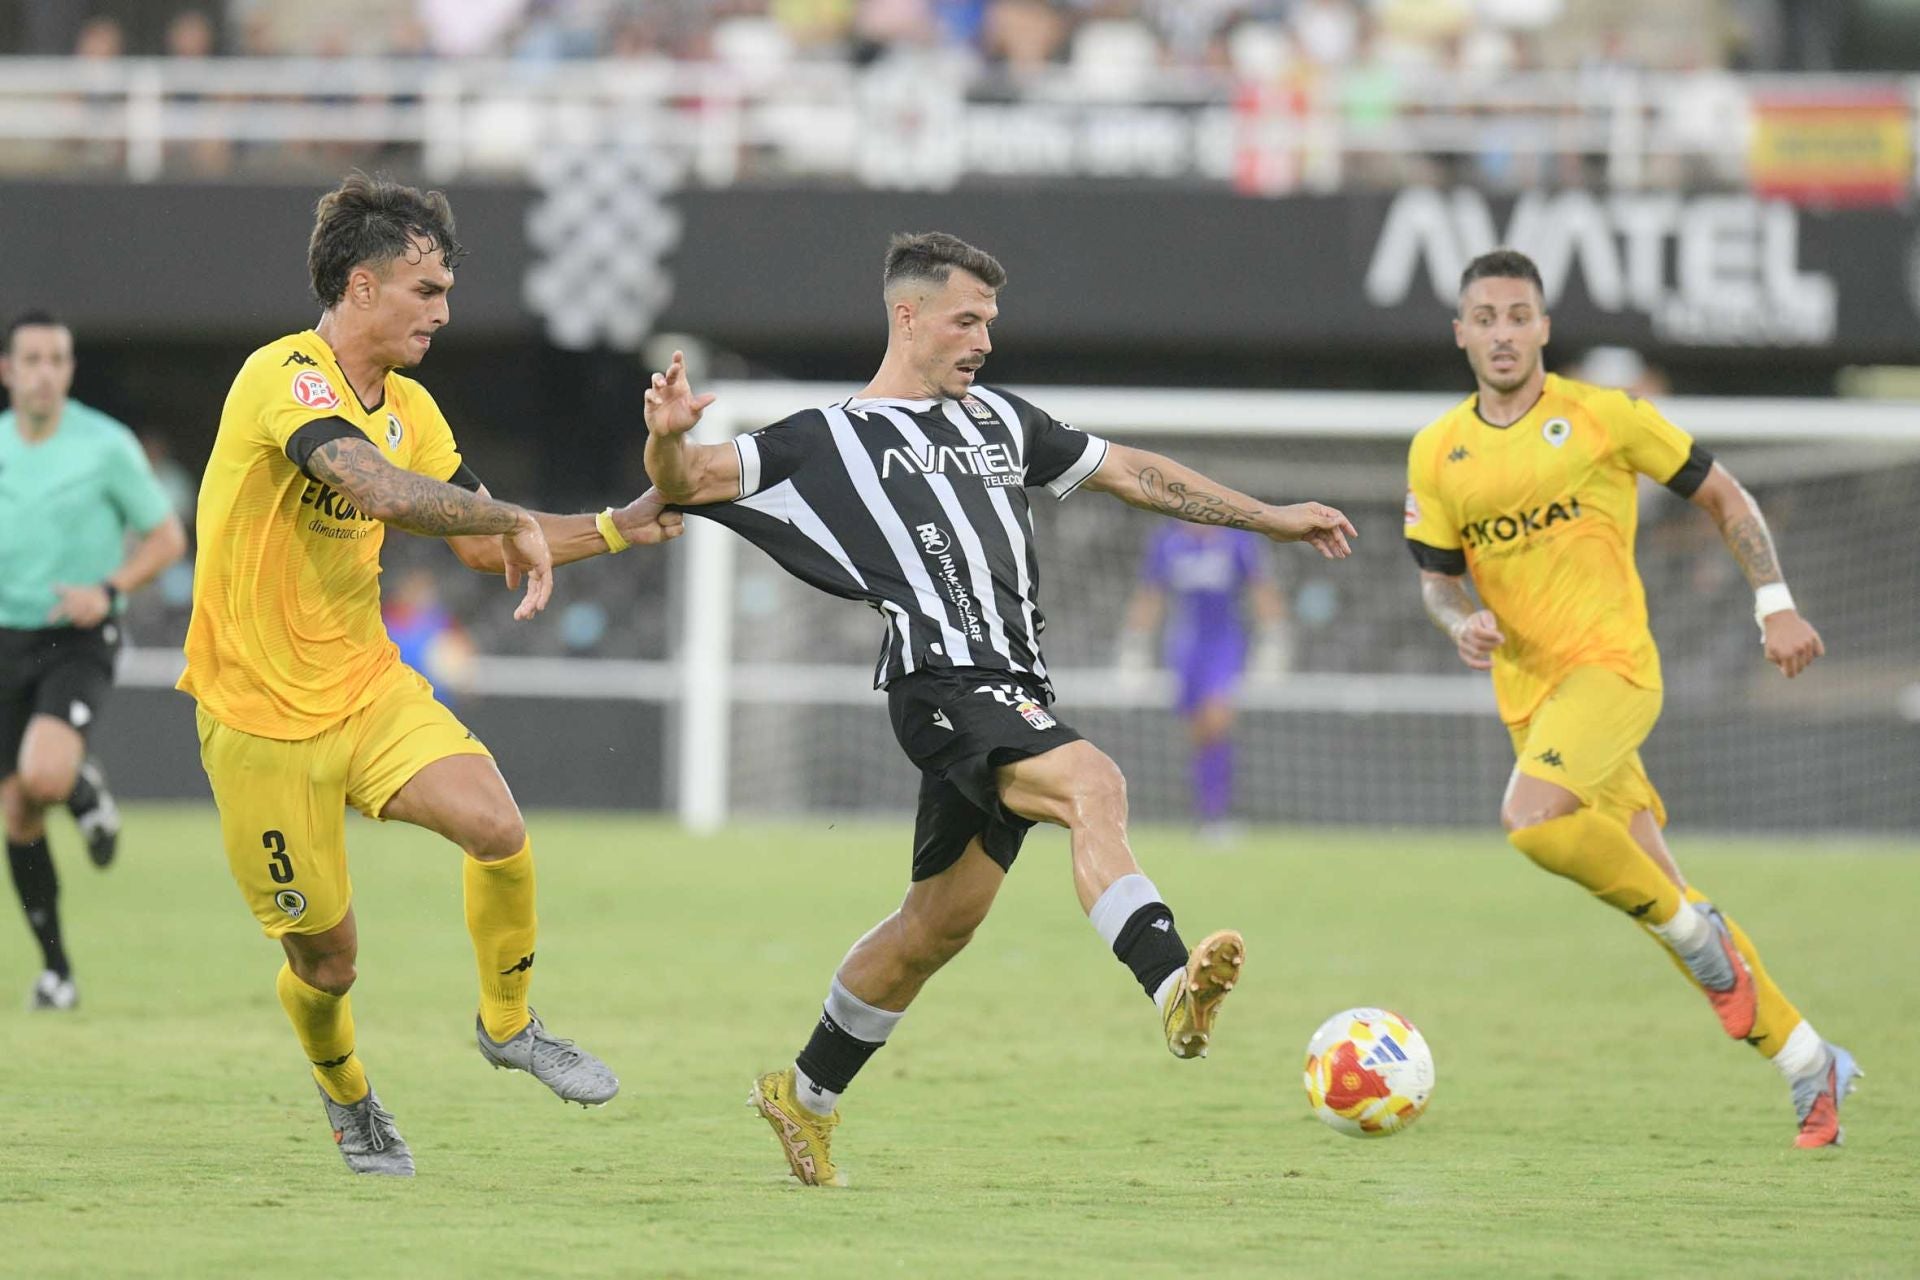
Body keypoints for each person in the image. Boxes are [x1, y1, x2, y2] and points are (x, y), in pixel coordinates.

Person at [642, 231, 1356, 1186]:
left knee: (935, 928)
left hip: (1014, 687)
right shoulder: (824, 439)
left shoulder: (999, 423)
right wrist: (667, 434)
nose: (983, 339)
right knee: (1092, 783)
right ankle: (1172, 982)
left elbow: (1136, 473)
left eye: (991, 322)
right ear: (908, 317)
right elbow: (685, 484)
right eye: (965, 320)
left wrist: (1270, 516)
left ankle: (803, 1096)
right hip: (938, 684)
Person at [178, 171, 681, 1176]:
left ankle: (510, 1022)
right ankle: (348, 1092)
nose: (444, 312)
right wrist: (510, 521)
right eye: (427, 290)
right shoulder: (285, 375)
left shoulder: (412, 407)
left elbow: (484, 544)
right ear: (362, 286)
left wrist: (626, 525)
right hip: (258, 719)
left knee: (497, 825)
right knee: (328, 961)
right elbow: (379, 488)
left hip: (366, 687)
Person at [1403, 248, 1857, 1149]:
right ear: (1462, 333)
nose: (1501, 332)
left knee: (1533, 822)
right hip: (1531, 699)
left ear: (1542, 326)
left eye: (1517, 314)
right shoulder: (1437, 451)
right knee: (1665, 892)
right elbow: (1437, 583)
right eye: (1484, 317)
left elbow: (1724, 495)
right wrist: (1459, 625)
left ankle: (1699, 935)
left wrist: (1776, 605)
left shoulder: (1604, 417)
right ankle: (1810, 1063)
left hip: (1612, 671)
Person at [1, 312, 188, 1010]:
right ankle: (57, 973)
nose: (45, 371)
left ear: (69, 370)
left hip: (76, 636)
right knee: (18, 812)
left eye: (57, 358)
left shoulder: (104, 446)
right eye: (32, 358)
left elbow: (168, 538)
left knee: (42, 774)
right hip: (5, 640)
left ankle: (80, 787)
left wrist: (108, 589)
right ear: (9, 370)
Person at [1119, 523, 1290, 838]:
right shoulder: (1168, 542)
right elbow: (1150, 595)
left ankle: (1217, 817)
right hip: (1184, 647)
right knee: (1199, 733)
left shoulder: (1238, 542)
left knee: (1216, 719)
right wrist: (1135, 645)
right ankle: (1207, 814)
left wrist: (1274, 639)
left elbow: (1261, 588)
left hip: (1224, 644)